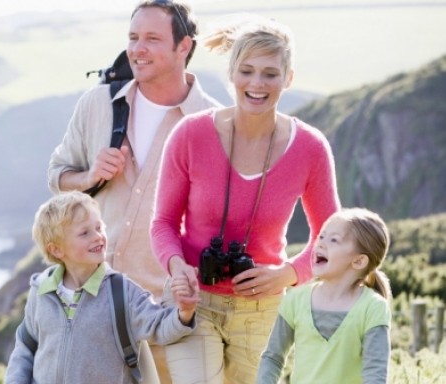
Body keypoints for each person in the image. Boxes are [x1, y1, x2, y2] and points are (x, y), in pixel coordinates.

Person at [150, 15, 341, 384]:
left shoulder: (310, 148)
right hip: (193, 301)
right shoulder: (190, 134)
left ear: (288, 79)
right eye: (247, 71)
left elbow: (331, 238)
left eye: (270, 74)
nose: (257, 84)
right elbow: (163, 223)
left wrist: (288, 274)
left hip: (263, 311)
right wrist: (177, 266)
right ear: (231, 75)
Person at [47, 1, 220, 378]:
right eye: (133, 37)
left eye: (152, 39)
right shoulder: (98, 103)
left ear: (183, 47)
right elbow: (57, 175)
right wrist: (89, 176)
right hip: (94, 308)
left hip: (170, 314)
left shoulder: (214, 124)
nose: (137, 49)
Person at [5, 191, 199, 384]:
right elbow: (25, 349)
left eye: (99, 227)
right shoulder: (41, 292)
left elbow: (159, 327)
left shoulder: (122, 293)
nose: (98, 237)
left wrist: (185, 312)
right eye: (84, 233)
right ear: (56, 249)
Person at [257, 208, 392, 384]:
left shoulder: (373, 307)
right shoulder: (295, 300)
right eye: (321, 236)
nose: (320, 244)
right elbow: (273, 357)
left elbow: (375, 374)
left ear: (358, 261)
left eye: (334, 240)